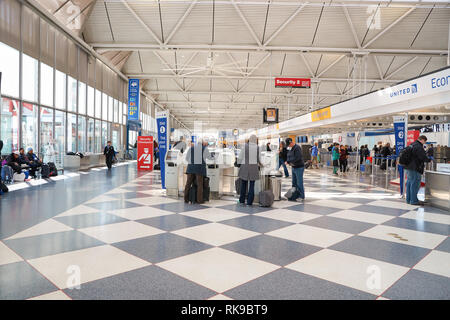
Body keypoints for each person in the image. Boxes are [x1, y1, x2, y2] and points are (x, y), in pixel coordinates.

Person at [404, 135, 431, 206]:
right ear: (422, 140)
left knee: (410, 183)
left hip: (408, 167)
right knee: (415, 184)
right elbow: (422, 157)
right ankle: (414, 201)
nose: (424, 143)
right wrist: (429, 159)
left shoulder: (412, 144)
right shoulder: (418, 146)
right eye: (424, 141)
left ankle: (408, 199)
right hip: (415, 168)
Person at [237, 135, 263, 206]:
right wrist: (261, 164)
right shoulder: (258, 148)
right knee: (252, 185)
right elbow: (259, 159)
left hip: (244, 167)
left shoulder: (244, 146)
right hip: (253, 168)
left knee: (243, 184)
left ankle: (242, 200)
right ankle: (249, 202)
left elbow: (240, 157)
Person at [184, 139, 211, 204]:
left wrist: (192, 163)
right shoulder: (204, 149)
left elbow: (187, 158)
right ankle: (199, 200)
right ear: (203, 143)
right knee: (200, 185)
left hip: (190, 168)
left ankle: (186, 199)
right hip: (199, 169)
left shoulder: (191, 148)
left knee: (188, 184)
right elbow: (209, 157)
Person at [285, 137, 305, 202]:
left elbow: (297, 158)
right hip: (293, 167)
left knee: (299, 183)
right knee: (294, 183)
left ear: (291, 142)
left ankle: (301, 196)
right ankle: (295, 195)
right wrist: (288, 161)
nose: (288, 146)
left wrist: (289, 161)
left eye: (289, 144)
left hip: (299, 167)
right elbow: (289, 156)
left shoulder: (297, 148)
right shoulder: (291, 148)